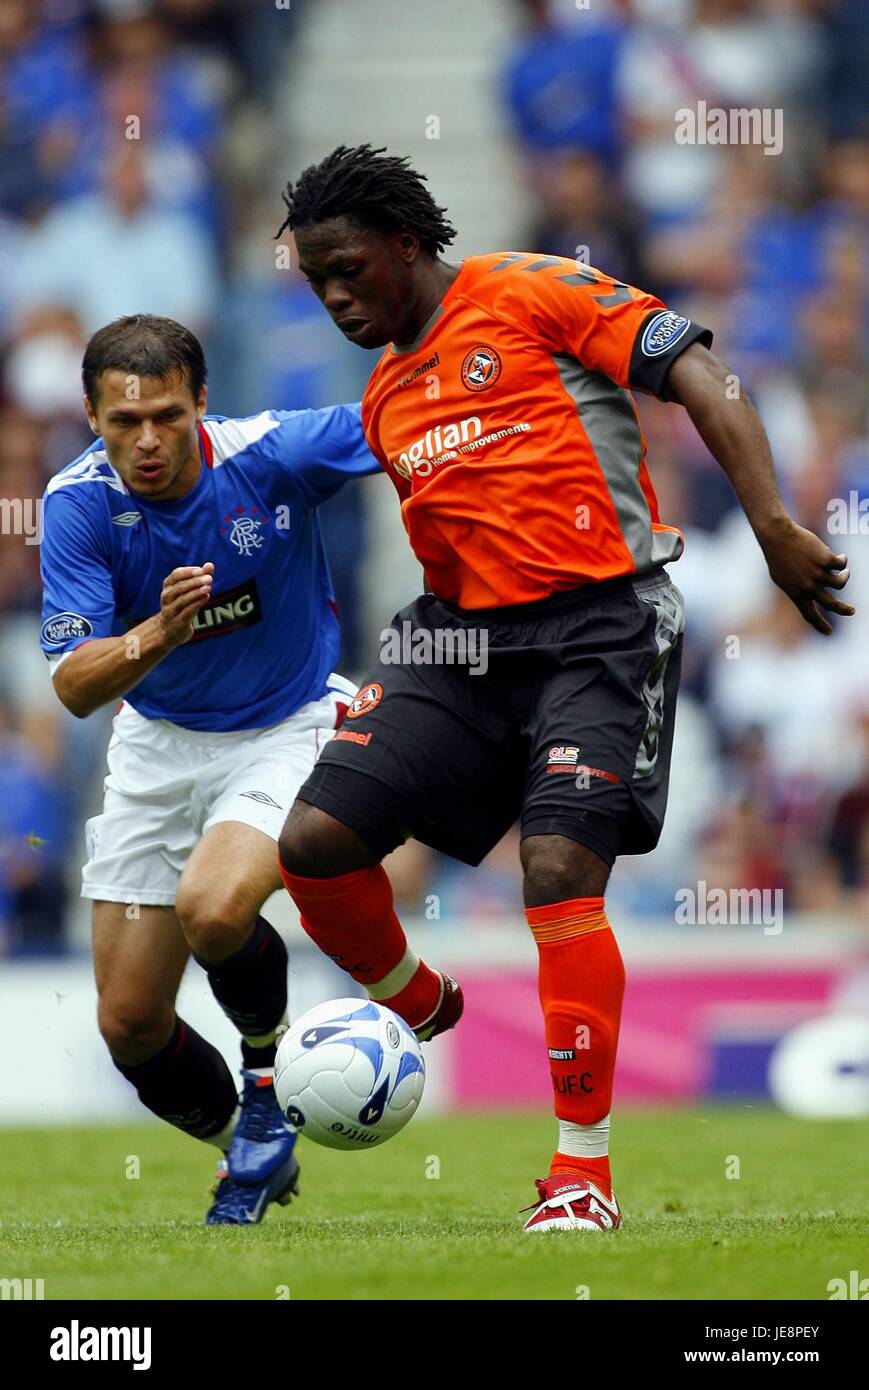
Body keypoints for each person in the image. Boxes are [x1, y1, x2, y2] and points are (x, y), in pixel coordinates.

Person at [273, 145, 854, 1233]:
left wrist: (771, 520)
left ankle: (579, 1175)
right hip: (459, 645)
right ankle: (421, 1004)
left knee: (554, 868)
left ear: (406, 245)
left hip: (601, 625)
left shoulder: (529, 289)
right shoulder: (387, 395)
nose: (338, 296)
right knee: (310, 843)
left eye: (350, 268)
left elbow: (698, 370)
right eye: (318, 282)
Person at [39, 313, 380, 1224]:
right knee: (130, 1023)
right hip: (155, 746)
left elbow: (403, 418)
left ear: (201, 403)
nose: (146, 442)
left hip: (286, 723)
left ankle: (267, 1089)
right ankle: (251, 1143)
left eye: (166, 417)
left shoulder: (271, 455)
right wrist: (158, 631)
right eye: (123, 423)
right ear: (92, 415)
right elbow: (73, 686)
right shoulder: (74, 504)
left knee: (215, 907)